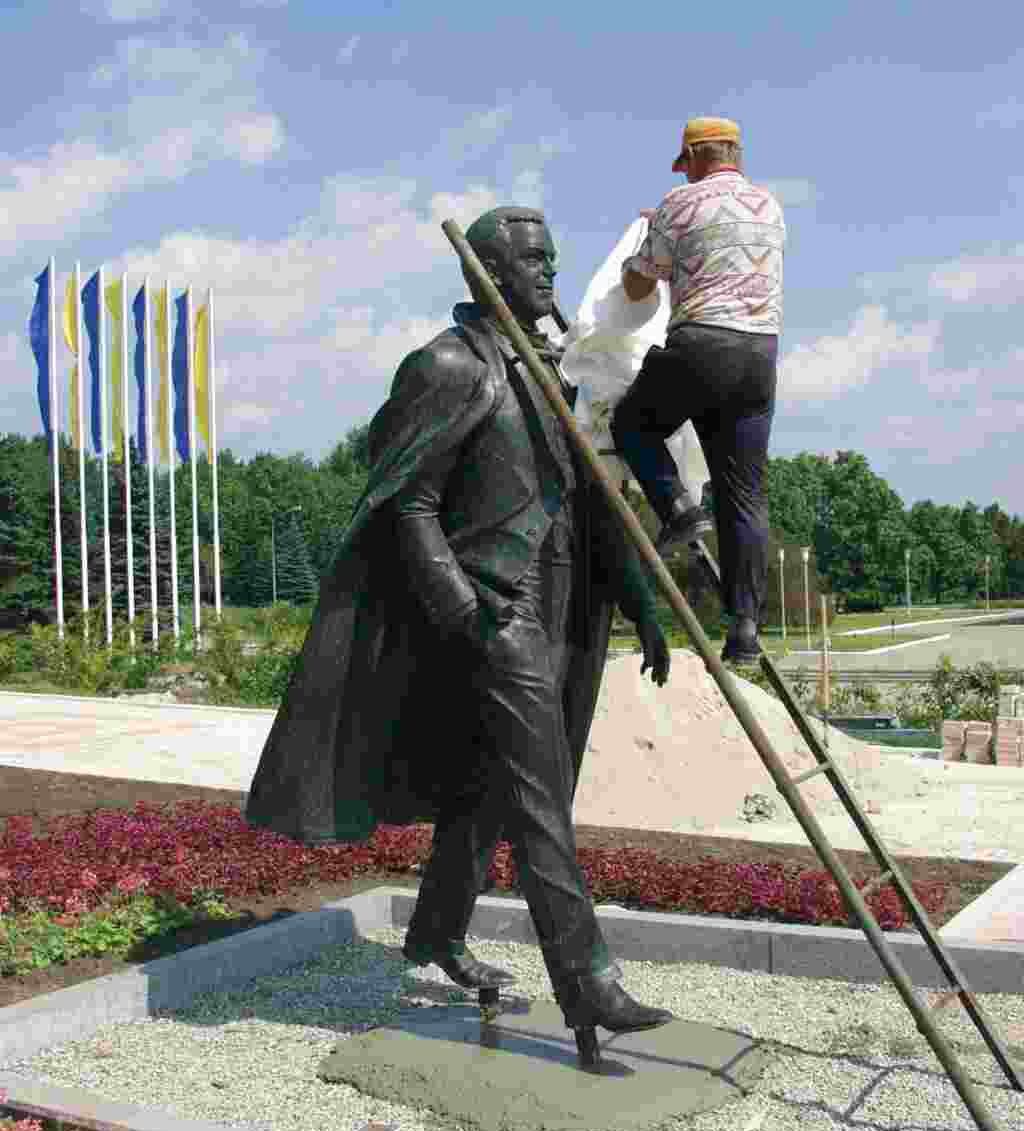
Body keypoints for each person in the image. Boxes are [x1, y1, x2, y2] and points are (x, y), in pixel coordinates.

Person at [245, 205, 675, 1041]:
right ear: (483, 272)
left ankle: (437, 930)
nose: (549, 272)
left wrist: (641, 604)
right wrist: (462, 608)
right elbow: (408, 499)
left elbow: (598, 498)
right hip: (493, 605)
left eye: (553, 257)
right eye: (530, 260)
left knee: (491, 783)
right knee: (542, 792)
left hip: (563, 606)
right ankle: (586, 982)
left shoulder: (564, 369)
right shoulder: (445, 366)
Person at [612, 117, 786, 666]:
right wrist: (669, 230)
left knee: (632, 424)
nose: (683, 173)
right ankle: (745, 630)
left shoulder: (677, 205)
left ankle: (679, 508)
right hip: (759, 357)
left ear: (694, 157)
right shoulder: (770, 206)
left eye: (684, 164)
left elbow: (639, 284)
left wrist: (647, 238)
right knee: (745, 496)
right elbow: (720, 246)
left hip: (700, 346)